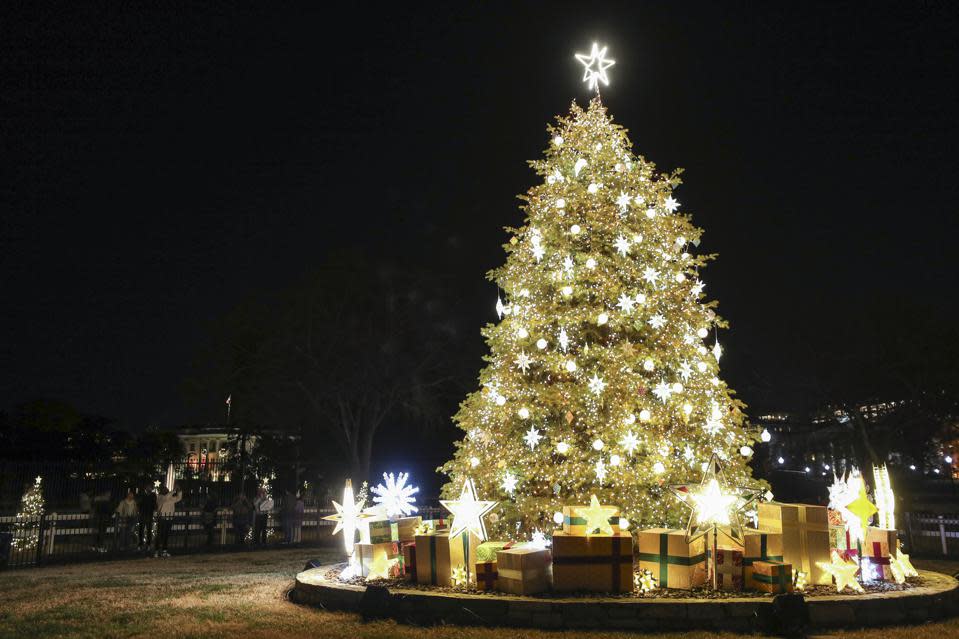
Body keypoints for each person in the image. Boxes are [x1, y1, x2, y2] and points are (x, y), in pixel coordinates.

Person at [154, 485, 182, 557]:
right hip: (162, 518)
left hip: (169, 518)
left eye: (167, 490)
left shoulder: (170, 498)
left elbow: (179, 498)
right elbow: (166, 497)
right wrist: (173, 490)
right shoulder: (160, 497)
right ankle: (156, 551)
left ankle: (164, 550)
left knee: (166, 535)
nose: (166, 491)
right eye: (165, 490)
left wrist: (179, 491)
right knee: (160, 535)